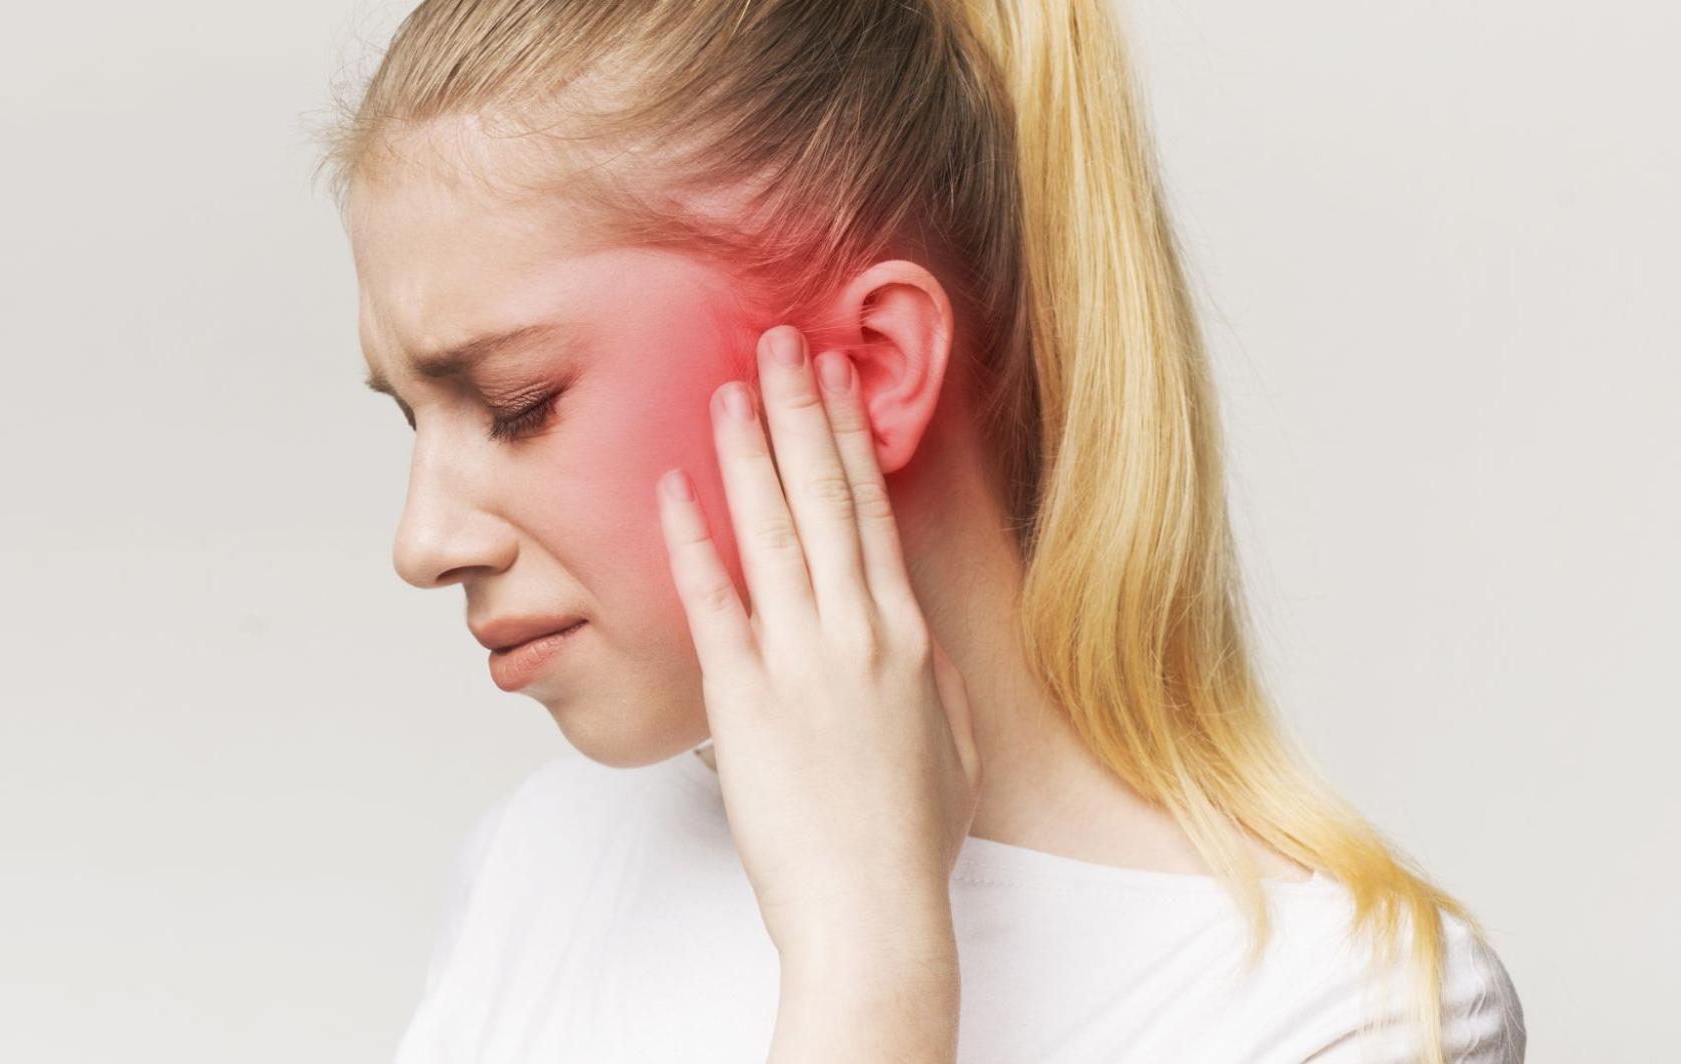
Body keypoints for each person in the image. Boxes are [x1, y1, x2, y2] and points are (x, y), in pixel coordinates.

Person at [322, 0, 1525, 1060]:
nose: (423, 541)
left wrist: (869, 961)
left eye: (517, 405)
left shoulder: (1344, 1013)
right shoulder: (548, 865)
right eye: (412, 418)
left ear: (874, 367)